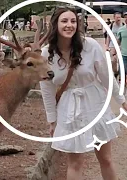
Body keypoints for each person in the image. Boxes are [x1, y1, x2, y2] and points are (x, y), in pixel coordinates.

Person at [39, 7, 127, 180]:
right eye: (64, 21)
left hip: (95, 104)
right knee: (75, 163)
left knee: (106, 159)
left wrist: (121, 100)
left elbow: (106, 77)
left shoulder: (90, 45)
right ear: (56, 24)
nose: (69, 25)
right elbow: (47, 90)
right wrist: (52, 120)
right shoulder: (46, 53)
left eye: (73, 21)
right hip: (69, 109)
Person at [106, 12, 124, 79]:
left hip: (121, 46)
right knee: (113, 61)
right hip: (112, 46)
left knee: (121, 61)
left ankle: (120, 74)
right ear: (114, 18)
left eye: (119, 17)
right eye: (117, 17)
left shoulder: (123, 25)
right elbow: (108, 37)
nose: (118, 19)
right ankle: (115, 72)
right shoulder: (111, 26)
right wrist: (107, 46)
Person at [117, 12, 127, 88]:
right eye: (125, 17)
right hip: (123, 54)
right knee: (122, 71)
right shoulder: (121, 30)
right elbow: (118, 41)